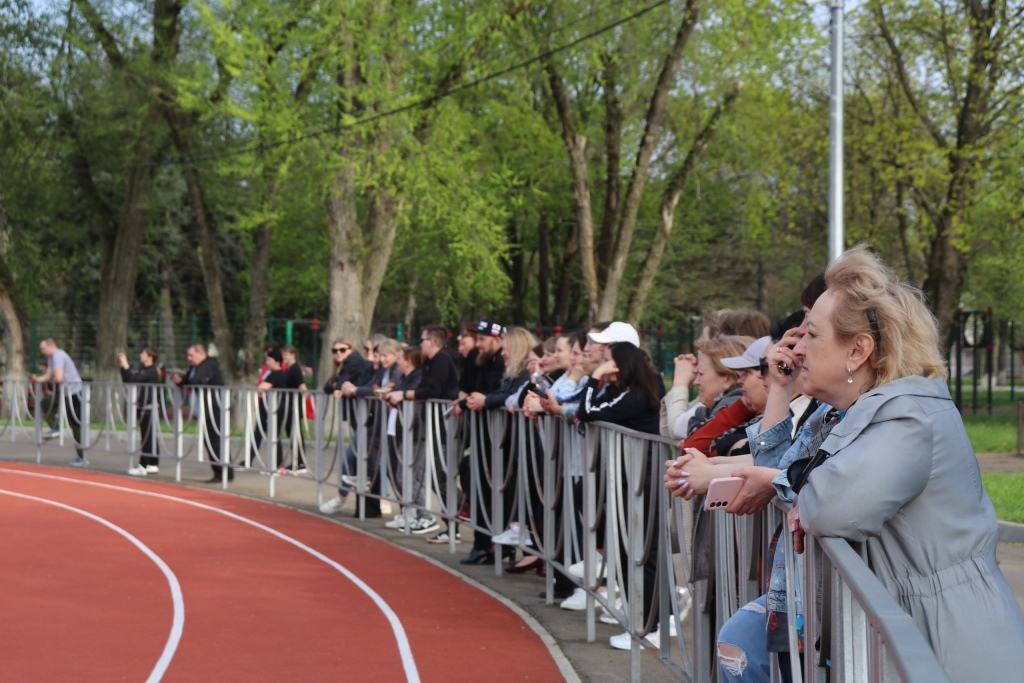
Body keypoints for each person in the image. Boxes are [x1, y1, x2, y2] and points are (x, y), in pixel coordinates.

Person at [783, 247, 1024, 682]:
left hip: (949, 645)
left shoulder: (907, 416)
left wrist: (807, 499)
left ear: (858, 351)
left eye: (813, 335)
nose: (799, 346)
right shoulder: (885, 410)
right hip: (927, 629)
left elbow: (831, 504)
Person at [576, 340, 664, 649]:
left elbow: (586, 412)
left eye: (610, 362)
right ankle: (640, 622)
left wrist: (593, 376)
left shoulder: (637, 395)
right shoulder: (626, 392)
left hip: (643, 478)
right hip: (631, 478)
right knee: (631, 550)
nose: (607, 369)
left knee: (642, 552)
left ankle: (649, 627)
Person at [320, 338, 375, 514]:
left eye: (343, 350)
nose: (338, 354)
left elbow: (343, 384)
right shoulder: (346, 365)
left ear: (351, 349)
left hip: (367, 417)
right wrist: (338, 385)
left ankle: (342, 497)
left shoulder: (354, 361)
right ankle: (376, 501)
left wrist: (343, 387)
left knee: (351, 456)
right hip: (358, 416)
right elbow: (329, 386)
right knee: (367, 459)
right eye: (334, 351)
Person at [172, 344, 230, 483]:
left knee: (215, 440)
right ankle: (220, 472)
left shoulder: (208, 364)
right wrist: (179, 381)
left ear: (201, 354)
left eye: (191, 355)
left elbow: (197, 380)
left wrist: (186, 380)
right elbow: (188, 381)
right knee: (210, 440)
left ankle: (224, 473)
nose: (189, 359)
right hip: (204, 406)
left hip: (214, 407)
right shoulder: (195, 367)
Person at [31, 338, 86, 465]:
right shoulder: (51, 358)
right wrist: (38, 379)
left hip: (74, 392)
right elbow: (50, 376)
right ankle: (55, 427)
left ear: (51, 346)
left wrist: (52, 380)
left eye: (43, 349)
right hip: (64, 392)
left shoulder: (59, 356)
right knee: (45, 403)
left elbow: (58, 377)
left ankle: (82, 455)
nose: (42, 352)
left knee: (75, 423)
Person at [118, 348, 163, 476]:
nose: (140, 355)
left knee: (147, 436)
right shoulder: (144, 369)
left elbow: (133, 379)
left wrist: (126, 364)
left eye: (143, 353)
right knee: (149, 435)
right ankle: (152, 463)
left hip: (149, 407)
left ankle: (143, 465)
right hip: (143, 407)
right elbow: (128, 379)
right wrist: (123, 366)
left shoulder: (151, 371)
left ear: (150, 357)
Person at [279, 345, 308, 473]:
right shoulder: (289, 369)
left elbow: (302, 386)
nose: (284, 357)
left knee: (295, 433)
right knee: (292, 433)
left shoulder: (295, 369)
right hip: (289, 405)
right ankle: (297, 460)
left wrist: (305, 400)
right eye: (283, 354)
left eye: (286, 354)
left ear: (293, 355)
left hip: (293, 406)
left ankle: (300, 462)